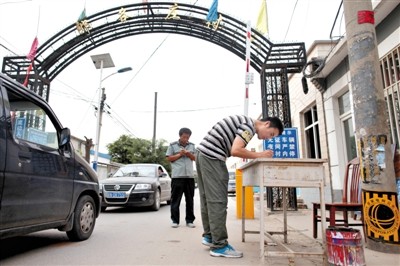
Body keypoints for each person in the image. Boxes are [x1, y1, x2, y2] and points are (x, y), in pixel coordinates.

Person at [195, 115, 284, 258]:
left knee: (208, 200)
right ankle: (220, 245)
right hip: (212, 157)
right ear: (266, 124)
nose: (268, 138)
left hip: (202, 154)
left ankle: (210, 236)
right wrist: (260, 154)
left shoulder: (244, 122)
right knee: (218, 201)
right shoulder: (248, 127)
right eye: (271, 134)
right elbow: (236, 150)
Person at [166, 127, 196, 228]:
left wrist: (188, 153)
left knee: (190, 200)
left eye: (187, 137)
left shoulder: (192, 146)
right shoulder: (173, 145)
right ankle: (175, 221)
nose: (186, 139)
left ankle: (190, 221)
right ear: (180, 136)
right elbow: (169, 158)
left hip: (189, 177)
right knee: (175, 200)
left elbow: (195, 158)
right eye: (184, 137)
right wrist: (180, 154)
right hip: (177, 176)